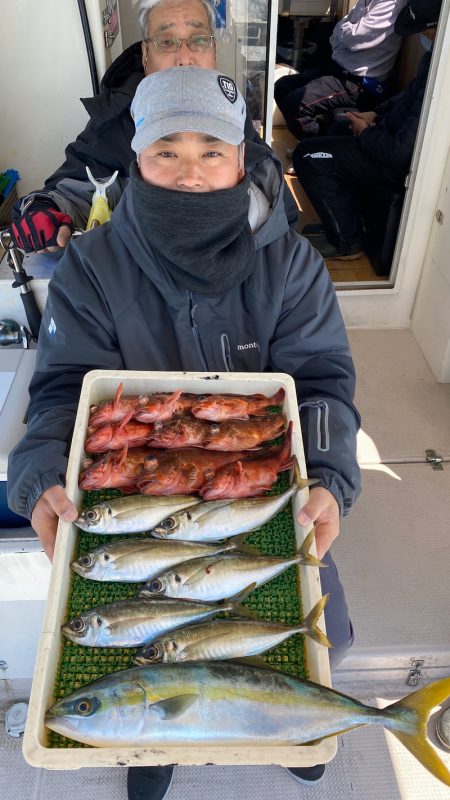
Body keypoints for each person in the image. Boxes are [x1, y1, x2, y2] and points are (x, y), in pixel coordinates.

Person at [8, 67, 360, 798]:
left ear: (242, 158)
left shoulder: (292, 266)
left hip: (257, 491)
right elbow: (62, 392)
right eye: (166, 148)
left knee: (327, 623)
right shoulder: (91, 267)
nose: (191, 171)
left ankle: (293, 723)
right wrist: (40, 463)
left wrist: (326, 476)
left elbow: (324, 384)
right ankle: (155, 743)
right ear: (134, 155)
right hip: (139, 491)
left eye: (213, 149)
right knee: (145, 647)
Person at [8, 0, 297, 265]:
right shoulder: (115, 120)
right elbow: (79, 187)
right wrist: (44, 208)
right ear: (145, 54)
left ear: (214, 52)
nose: (185, 58)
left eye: (198, 40)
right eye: (167, 42)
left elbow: (278, 213)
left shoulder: (232, 110)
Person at [292, 0, 441, 260]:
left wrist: (365, 131)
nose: (423, 39)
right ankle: (347, 219)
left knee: (309, 157)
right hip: (386, 134)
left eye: (427, 34)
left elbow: (398, 153)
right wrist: (375, 113)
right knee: (339, 126)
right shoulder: (434, 60)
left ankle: (346, 243)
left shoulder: (443, 77)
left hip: (394, 163)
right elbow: (408, 98)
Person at [274, 0, 408, 141]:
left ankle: (319, 149)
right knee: (282, 87)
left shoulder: (391, 3)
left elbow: (356, 38)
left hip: (360, 82)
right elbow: (338, 34)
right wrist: (345, 31)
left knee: (296, 105)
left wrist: (344, 31)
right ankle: (313, 140)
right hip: (339, 69)